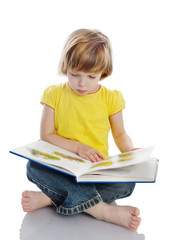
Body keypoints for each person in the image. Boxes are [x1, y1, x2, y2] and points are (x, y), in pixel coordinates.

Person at [21, 29, 141, 231]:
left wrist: (129, 153)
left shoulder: (112, 98)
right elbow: (46, 135)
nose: (82, 83)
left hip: (92, 171)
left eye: (91, 76)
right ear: (65, 68)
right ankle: (101, 210)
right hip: (60, 167)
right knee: (33, 167)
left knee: (127, 184)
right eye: (74, 74)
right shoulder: (54, 94)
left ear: (103, 72)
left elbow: (120, 134)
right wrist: (78, 147)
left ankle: (50, 197)